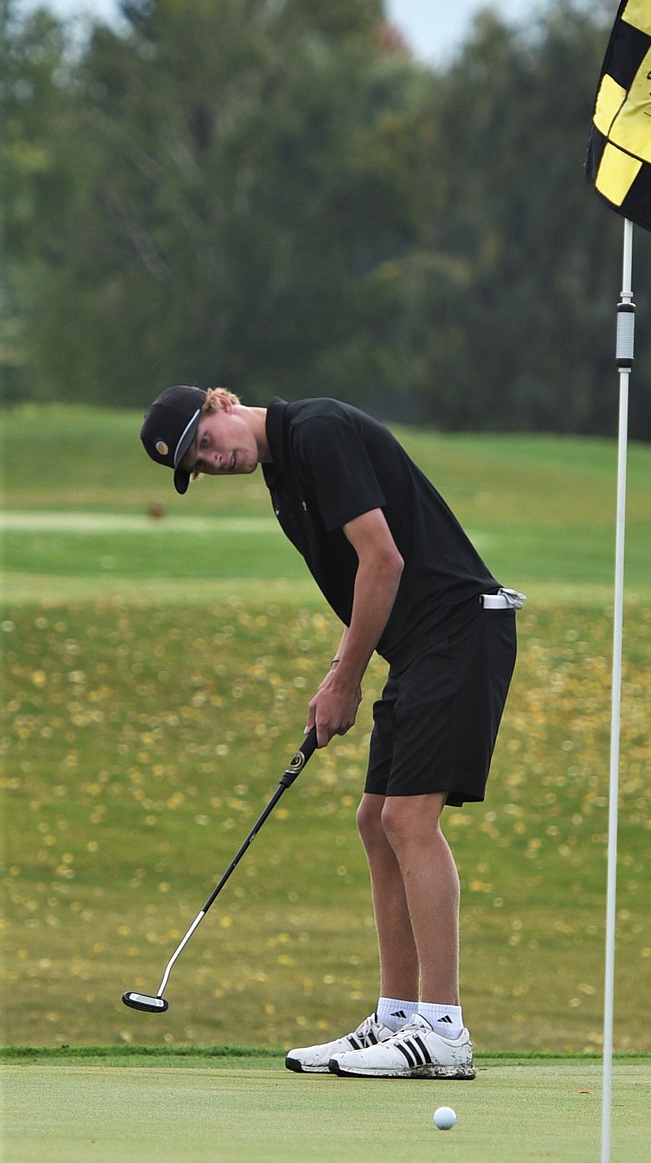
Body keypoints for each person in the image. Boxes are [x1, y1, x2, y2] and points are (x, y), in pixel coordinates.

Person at [140, 384, 523, 1080]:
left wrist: (348, 680)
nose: (211, 460)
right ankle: (398, 1016)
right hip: (419, 646)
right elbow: (361, 586)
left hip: (462, 630)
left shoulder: (315, 432)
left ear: (225, 402)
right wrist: (334, 674)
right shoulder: (285, 480)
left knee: (409, 820)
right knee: (374, 820)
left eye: (205, 440)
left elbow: (385, 560)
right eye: (197, 464)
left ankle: (444, 1031)